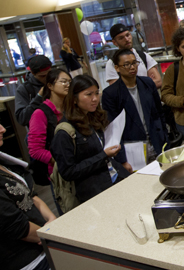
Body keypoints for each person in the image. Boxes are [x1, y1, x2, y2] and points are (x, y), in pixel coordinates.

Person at [50, 75, 131, 204]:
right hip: (94, 193)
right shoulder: (64, 132)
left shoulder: (92, 118)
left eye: (96, 93)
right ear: (74, 99)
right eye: (88, 95)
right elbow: (68, 171)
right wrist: (103, 156)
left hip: (113, 178)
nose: (95, 99)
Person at [0, 122, 57, 270]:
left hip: (44, 242)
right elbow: (17, 227)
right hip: (29, 260)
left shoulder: (4, 163)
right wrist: (47, 235)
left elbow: (31, 195)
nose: (3, 129)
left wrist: (52, 220)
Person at [102, 49, 169, 163]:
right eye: (127, 64)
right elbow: (112, 130)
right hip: (133, 148)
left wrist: (166, 139)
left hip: (157, 141)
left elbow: (159, 113)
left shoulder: (147, 83)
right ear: (117, 68)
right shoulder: (111, 93)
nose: (132, 67)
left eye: (134, 63)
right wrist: (122, 160)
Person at [27, 69, 71, 213]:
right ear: (50, 86)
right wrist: (56, 161)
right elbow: (35, 149)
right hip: (59, 174)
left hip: (78, 167)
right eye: (63, 81)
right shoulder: (40, 113)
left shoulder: (71, 108)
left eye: (70, 82)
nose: (67, 85)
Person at [104, 23, 162, 88]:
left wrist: (129, 86)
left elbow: (158, 82)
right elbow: (116, 90)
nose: (126, 39)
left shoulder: (143, 56)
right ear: (115, 42)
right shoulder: (112, 63)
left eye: (127, 35)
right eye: (121, 38)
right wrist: (147, 82)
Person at [15, 55, 52, 127]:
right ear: (33, 73)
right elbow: (21, 118)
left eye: (49, 74)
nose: (47, 78)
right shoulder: (24, 89)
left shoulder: (57, 80)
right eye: (43, 76)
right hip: (41, 131)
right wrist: (38, 97)